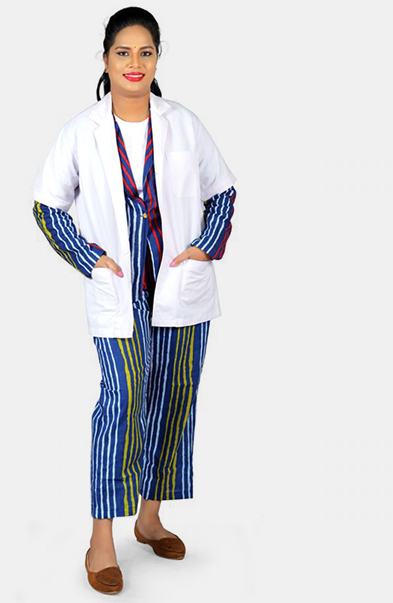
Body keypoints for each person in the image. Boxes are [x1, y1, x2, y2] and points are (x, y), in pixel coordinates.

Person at [32, 7, 237, 595]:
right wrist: (89, 257)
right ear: (105, 60)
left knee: (172, 398)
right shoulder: (82, 131)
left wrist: (204, 247)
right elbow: (47, 204)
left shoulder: (182, 124)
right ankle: (101, 540)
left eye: (146, 52)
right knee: (121, 401)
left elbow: (223, 191)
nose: (135, 63)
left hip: (178, 288)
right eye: (123, 52)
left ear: (157, 60)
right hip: (120, 290)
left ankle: (149, 519)